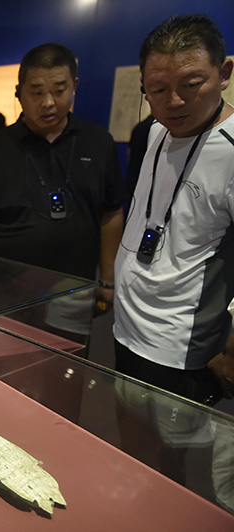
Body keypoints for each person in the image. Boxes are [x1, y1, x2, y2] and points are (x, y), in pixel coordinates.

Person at [114, 14, 234, 403]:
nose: (174, 101)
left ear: (224, 73)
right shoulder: (153, 132)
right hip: (126, 330)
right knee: (124, 435)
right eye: (158, 89)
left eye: (191, 84)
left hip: (182, 350)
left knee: (172, 443)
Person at [0, 43, 126, 316]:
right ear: (19, 93)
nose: (48, 102)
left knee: (70, 344)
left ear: (74, 86)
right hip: (8, 292)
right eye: (37, 93)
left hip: (76, 291)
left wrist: (108, 278)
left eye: (59, 91)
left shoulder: (99, 143)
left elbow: (111, 213)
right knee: (6, 344)